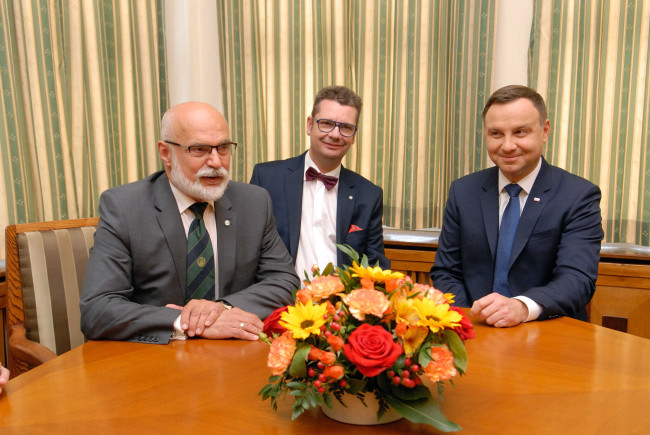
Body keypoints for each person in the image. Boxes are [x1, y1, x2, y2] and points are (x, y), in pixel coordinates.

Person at [80, 102, 300, 344]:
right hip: (153, 358)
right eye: (199, 149)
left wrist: (221, 309)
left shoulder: (254, 202)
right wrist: (185, 321)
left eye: (224, 148)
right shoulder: (125, 207)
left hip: (235, 355)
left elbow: (284, 282)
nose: (216, 162)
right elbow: (98, 309)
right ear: (166, 153)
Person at [431, 85, 603, 327]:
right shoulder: (463, 191)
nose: (508, 145)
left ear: (545, 131)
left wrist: (522, 307)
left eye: (520, 132)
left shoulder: (578, 196)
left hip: (548, 334)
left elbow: (577, 279)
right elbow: (446, 272)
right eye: (496, 134)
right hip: (474, 332)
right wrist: (467, 320)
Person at [250, 85, 389, 280]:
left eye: (346, 127)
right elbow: (248, 254)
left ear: (354, 135)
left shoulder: (369, 195)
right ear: (309, 125)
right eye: (326, 123)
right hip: (279, 301)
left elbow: (375, 267)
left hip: (340, 305)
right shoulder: (266, 178)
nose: (334, 134)